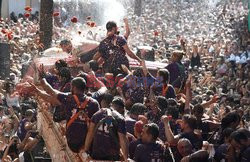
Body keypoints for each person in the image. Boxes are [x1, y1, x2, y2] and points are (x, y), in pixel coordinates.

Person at [28, 76, 100, 153]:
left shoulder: (68, 99)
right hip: (87, 145)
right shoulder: (94, 103)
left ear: (74, 87)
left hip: (72, 142)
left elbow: (50, 91)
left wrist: (42, 78)